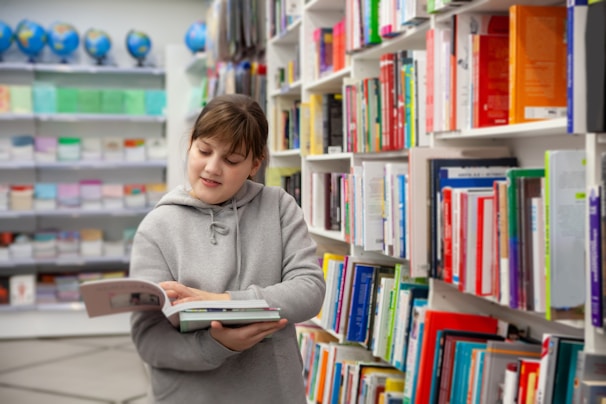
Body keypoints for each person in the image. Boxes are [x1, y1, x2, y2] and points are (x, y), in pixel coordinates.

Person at [129, 93, 326, 404]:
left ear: (254, 164)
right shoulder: (157, 227)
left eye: (231, 160)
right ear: (190, 142)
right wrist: (218, 344)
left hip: (272, 392)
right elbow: (149, 340)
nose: (212, 168)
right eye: (204, 150)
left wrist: (222, 302)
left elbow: (309, 290)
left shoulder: (279, 207)